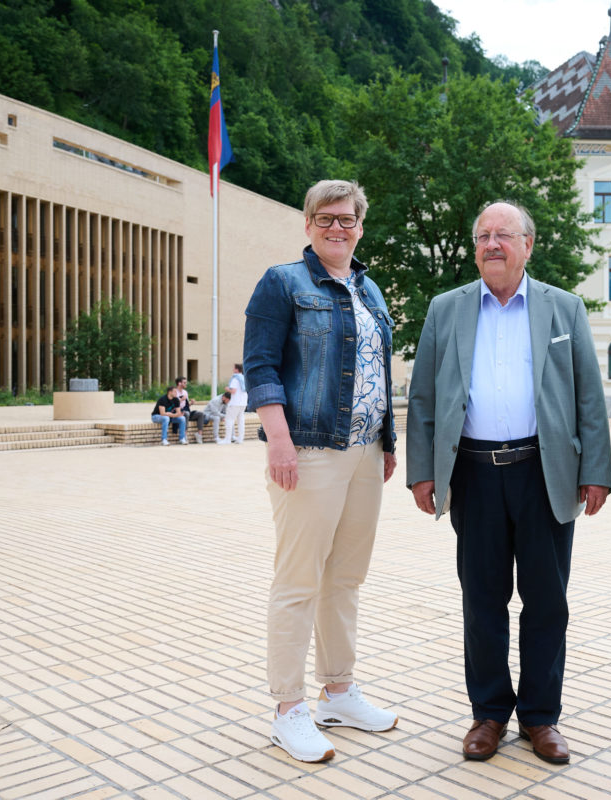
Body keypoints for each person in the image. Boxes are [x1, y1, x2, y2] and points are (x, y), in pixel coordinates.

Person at [405, 201, 611, 765]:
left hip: (544, 473)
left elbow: (588, 394)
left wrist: (597, 470)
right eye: (483, 236)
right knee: (482, 601)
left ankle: (541, 718)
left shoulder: (563, 307)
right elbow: (422, 396)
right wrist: (422, 471)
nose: (492, 243)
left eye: (504, 234)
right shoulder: (446, 309)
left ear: (528, 244)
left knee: (547, 602)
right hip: (473, 475)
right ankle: (489, 714)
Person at [243, 179, 399, 763]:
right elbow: (260, 364)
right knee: (298, 581)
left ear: (360, 226)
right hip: (308, 450)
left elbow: (377, 371)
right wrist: (279, 441)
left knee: (345, 579)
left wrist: (386, 443)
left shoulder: (369, 288)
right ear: (308, 224)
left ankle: (338, 692)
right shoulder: (282, 282)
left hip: (365, 453)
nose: (337, 228)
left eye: (347, 219)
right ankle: (288, 709)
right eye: (326, 218)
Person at [174, 376, 206, 443]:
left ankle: (199, 435)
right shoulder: (174, 392)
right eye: (184, 382)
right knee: (187, 413)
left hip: (186, 411)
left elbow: (186, 405)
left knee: (201, 414)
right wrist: (181, 400)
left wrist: (191, 403)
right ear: (179, 383)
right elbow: (172, 404)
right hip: (177, 412)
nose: (186, 384)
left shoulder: (185, 392)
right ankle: (184, 435)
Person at [225, 364, 249, 443]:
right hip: (243, 403)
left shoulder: (235, 378)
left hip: (235, 402)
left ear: (236, 369)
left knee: (229, 420)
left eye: (234, 368)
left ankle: (227, 439)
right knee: (241, 421)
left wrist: (227, 389)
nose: (233, 369)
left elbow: (233, 391)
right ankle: (240, 439)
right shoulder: (244, 378)